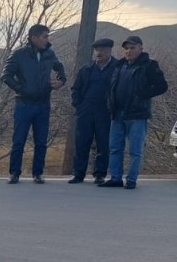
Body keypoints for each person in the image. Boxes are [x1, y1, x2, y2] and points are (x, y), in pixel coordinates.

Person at [1, 24, 67, 184]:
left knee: (41, 141)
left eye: (47, 36)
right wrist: (21, 89)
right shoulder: (18, 54)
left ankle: (38, 173)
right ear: (33, 37)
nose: (47, 40)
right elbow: (6, 75)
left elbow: (60, 69)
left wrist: (61, 81)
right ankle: (14, 173)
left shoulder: (50, 54)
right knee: (19, 140)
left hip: (43, 103)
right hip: (24, 104)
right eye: (45, 36)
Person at [100, 35, 168, 189]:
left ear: (140, 48)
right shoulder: (119, 65)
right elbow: (111, 87)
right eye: (126, 48)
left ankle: (131, 180)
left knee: (135, 150)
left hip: (137, 114)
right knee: (115, 148)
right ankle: (115, 178)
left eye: (132, 47)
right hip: (117, 114)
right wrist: (109, 102)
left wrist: (142, 94)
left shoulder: (149, 65)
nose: (129, 51)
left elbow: (162, 86)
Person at [69, 38, 118, 184]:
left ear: (109, 51)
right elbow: (75, 89)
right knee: (82, 142)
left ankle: (100, 174)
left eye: (102, 50)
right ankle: (78, 173)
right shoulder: (86, 69)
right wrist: (79, 105)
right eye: (97, 50)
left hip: (105, 111)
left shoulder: (117, 67)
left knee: (103, 143)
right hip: (86, 110)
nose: (99, 52)